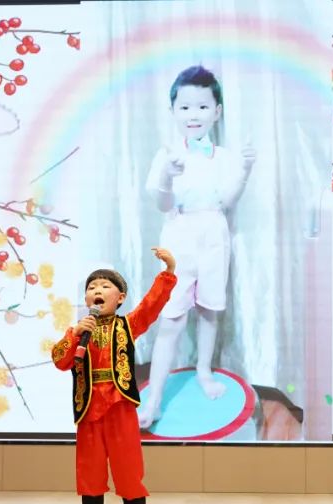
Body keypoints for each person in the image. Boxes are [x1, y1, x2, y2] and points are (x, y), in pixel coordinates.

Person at [138, 65, 256, 430]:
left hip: (214, 237)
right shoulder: (166, 155)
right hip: (179, 240)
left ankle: (204, 371)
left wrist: (245, 171)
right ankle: (154, 399)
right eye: (185, 107)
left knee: (209, 310)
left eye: (203, 107)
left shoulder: (224, 157)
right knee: (171, 318)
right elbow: (162, 204)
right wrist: (167, 176)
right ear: (173, 111)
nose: (194, 115)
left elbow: (227, 201)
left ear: (217, 111)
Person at [51, 248, 177, 504]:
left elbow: (150, 306)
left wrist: (169, 272)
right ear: (86, 299)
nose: (97, 290)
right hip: (88, 407)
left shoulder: (128, 325)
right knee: (89, 471)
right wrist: (74, 334)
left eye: (105, 286)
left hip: (119, 405)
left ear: (120, 298)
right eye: (92, 287)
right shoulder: (78, 331)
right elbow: (60, 361)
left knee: (128, 468)